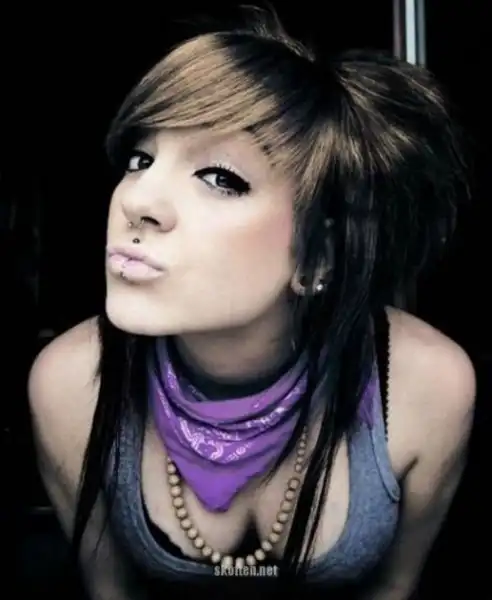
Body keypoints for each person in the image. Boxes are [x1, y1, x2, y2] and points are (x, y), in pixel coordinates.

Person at [27, 6, 475, 599]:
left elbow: (394, 591)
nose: (138, 200)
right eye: (141, 159)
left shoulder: (427, 387)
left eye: (220, 177)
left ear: (317, 255)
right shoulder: (69, 384)